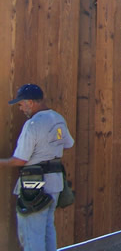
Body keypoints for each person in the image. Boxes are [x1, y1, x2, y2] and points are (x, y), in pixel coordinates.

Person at [0, 83, 74, 251]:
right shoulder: (58, 118)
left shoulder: (33, 125)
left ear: (30, 102)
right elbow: (68, 144)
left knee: (32, 234)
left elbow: (19, 160)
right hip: (55, 182)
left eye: (21, 104)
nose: (20, 108)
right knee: (48, 229)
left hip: (34, 185)